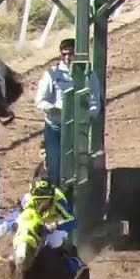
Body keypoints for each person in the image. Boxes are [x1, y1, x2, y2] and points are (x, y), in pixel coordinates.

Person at [34, 38, 101, 184]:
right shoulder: (53, 74)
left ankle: (73, 192)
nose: (67, 58)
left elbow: (95, 102)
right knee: (55, 164)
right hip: (55, 126)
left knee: (76, 165)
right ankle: (55, 188)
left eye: (70, 54)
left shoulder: (89, 74)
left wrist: (86, 116)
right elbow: (40, 101)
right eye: (64, 54)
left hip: (77, 128)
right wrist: (53, 108)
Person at [6, 179, 87, 279]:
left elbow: (73, 221)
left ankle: (73, 264)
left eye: (45, 200)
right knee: (20, 239)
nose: (41, 204)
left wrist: (56, 225)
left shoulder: (59, 200)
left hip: (54, 222)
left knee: (55, 242)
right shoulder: (27, 200)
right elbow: (12, 218)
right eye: (38, 200)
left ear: (52, 196)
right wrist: (13, 224)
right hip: (35, 223)